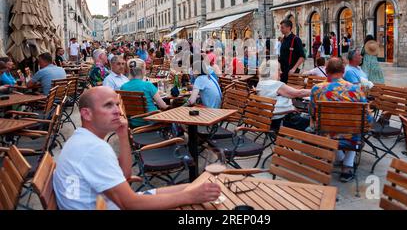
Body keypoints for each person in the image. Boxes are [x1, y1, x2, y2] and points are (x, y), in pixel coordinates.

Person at [53, 86, 220, 210]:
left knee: (195, 187)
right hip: (114, 204)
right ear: (86, 114)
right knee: (197, 199)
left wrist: (123, 134)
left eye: (117, 104)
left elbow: (125, 176)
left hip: (106, 203)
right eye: (108, 105)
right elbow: (130, 204)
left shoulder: (83, 139)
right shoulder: (93, 149)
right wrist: (191, 196)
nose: (117, 111)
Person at [309, 57, 371, 183]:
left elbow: (312, 112)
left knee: (331, 128)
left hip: (326, 134)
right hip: (351, 135)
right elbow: (367, 117)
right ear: (343, 71)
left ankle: (341, 159)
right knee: (355, 127)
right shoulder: (356, 90)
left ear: (327, 71)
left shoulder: (317, 89)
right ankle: (347, 166)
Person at [257, 60, 311, 131]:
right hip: (281, 121)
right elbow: (299, 93)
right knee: (313, 123)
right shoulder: (275, 84)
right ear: (273, 71)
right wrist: (318, 89)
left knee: (307, 118)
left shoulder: (260, 83)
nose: (281, 72)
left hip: (269, 120)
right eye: (279, 70)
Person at [121, 59, 169, 127]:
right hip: (151, 120)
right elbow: (162, 106)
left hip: (133, 122)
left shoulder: (123, 87)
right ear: (142, 70)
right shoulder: (147, 85)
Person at [278, 19, 306, 84]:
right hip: (283, 71)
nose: (281, 29)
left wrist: (293, 69)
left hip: (291, 71)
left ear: (289, 28)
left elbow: (302, 57)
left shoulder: (296, 39)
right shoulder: (283, 39)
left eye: (282, 28)